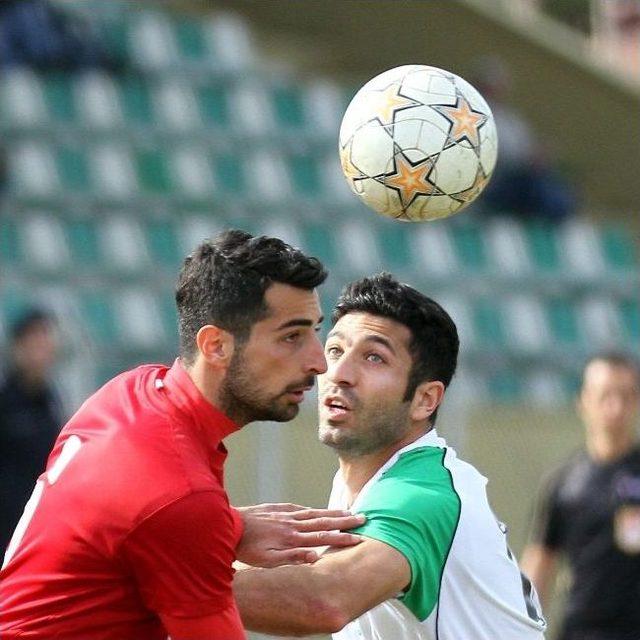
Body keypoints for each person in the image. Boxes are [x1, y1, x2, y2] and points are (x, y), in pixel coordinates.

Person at [0, 230, 365, 640]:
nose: (318, 361)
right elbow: (170, 507)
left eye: (316, 331)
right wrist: (213, 524)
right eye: (292, 337)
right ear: (216, 346)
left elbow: (131, 516)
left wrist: (231, 527)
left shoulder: (128, 393)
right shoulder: (182, 498)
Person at [234, 272, 547, 639]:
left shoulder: (421, 495)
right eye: (335, 350)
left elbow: (324, 598)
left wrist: (163, 580)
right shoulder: (374, 481)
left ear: (425, 399)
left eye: (373, 357)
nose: (339, 373)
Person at [521, 353, 640, 640]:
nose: (615, 407)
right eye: (605, 396)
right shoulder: (563, 482)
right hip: (581, 631)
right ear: (584, 401)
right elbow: (540, 563)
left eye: (625, 396)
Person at [0, 308, 65, 553]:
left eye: (44, 339)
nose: (41, 348)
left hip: (37, 527)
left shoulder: (51, 401)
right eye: (33, 341)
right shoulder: (5, 401)